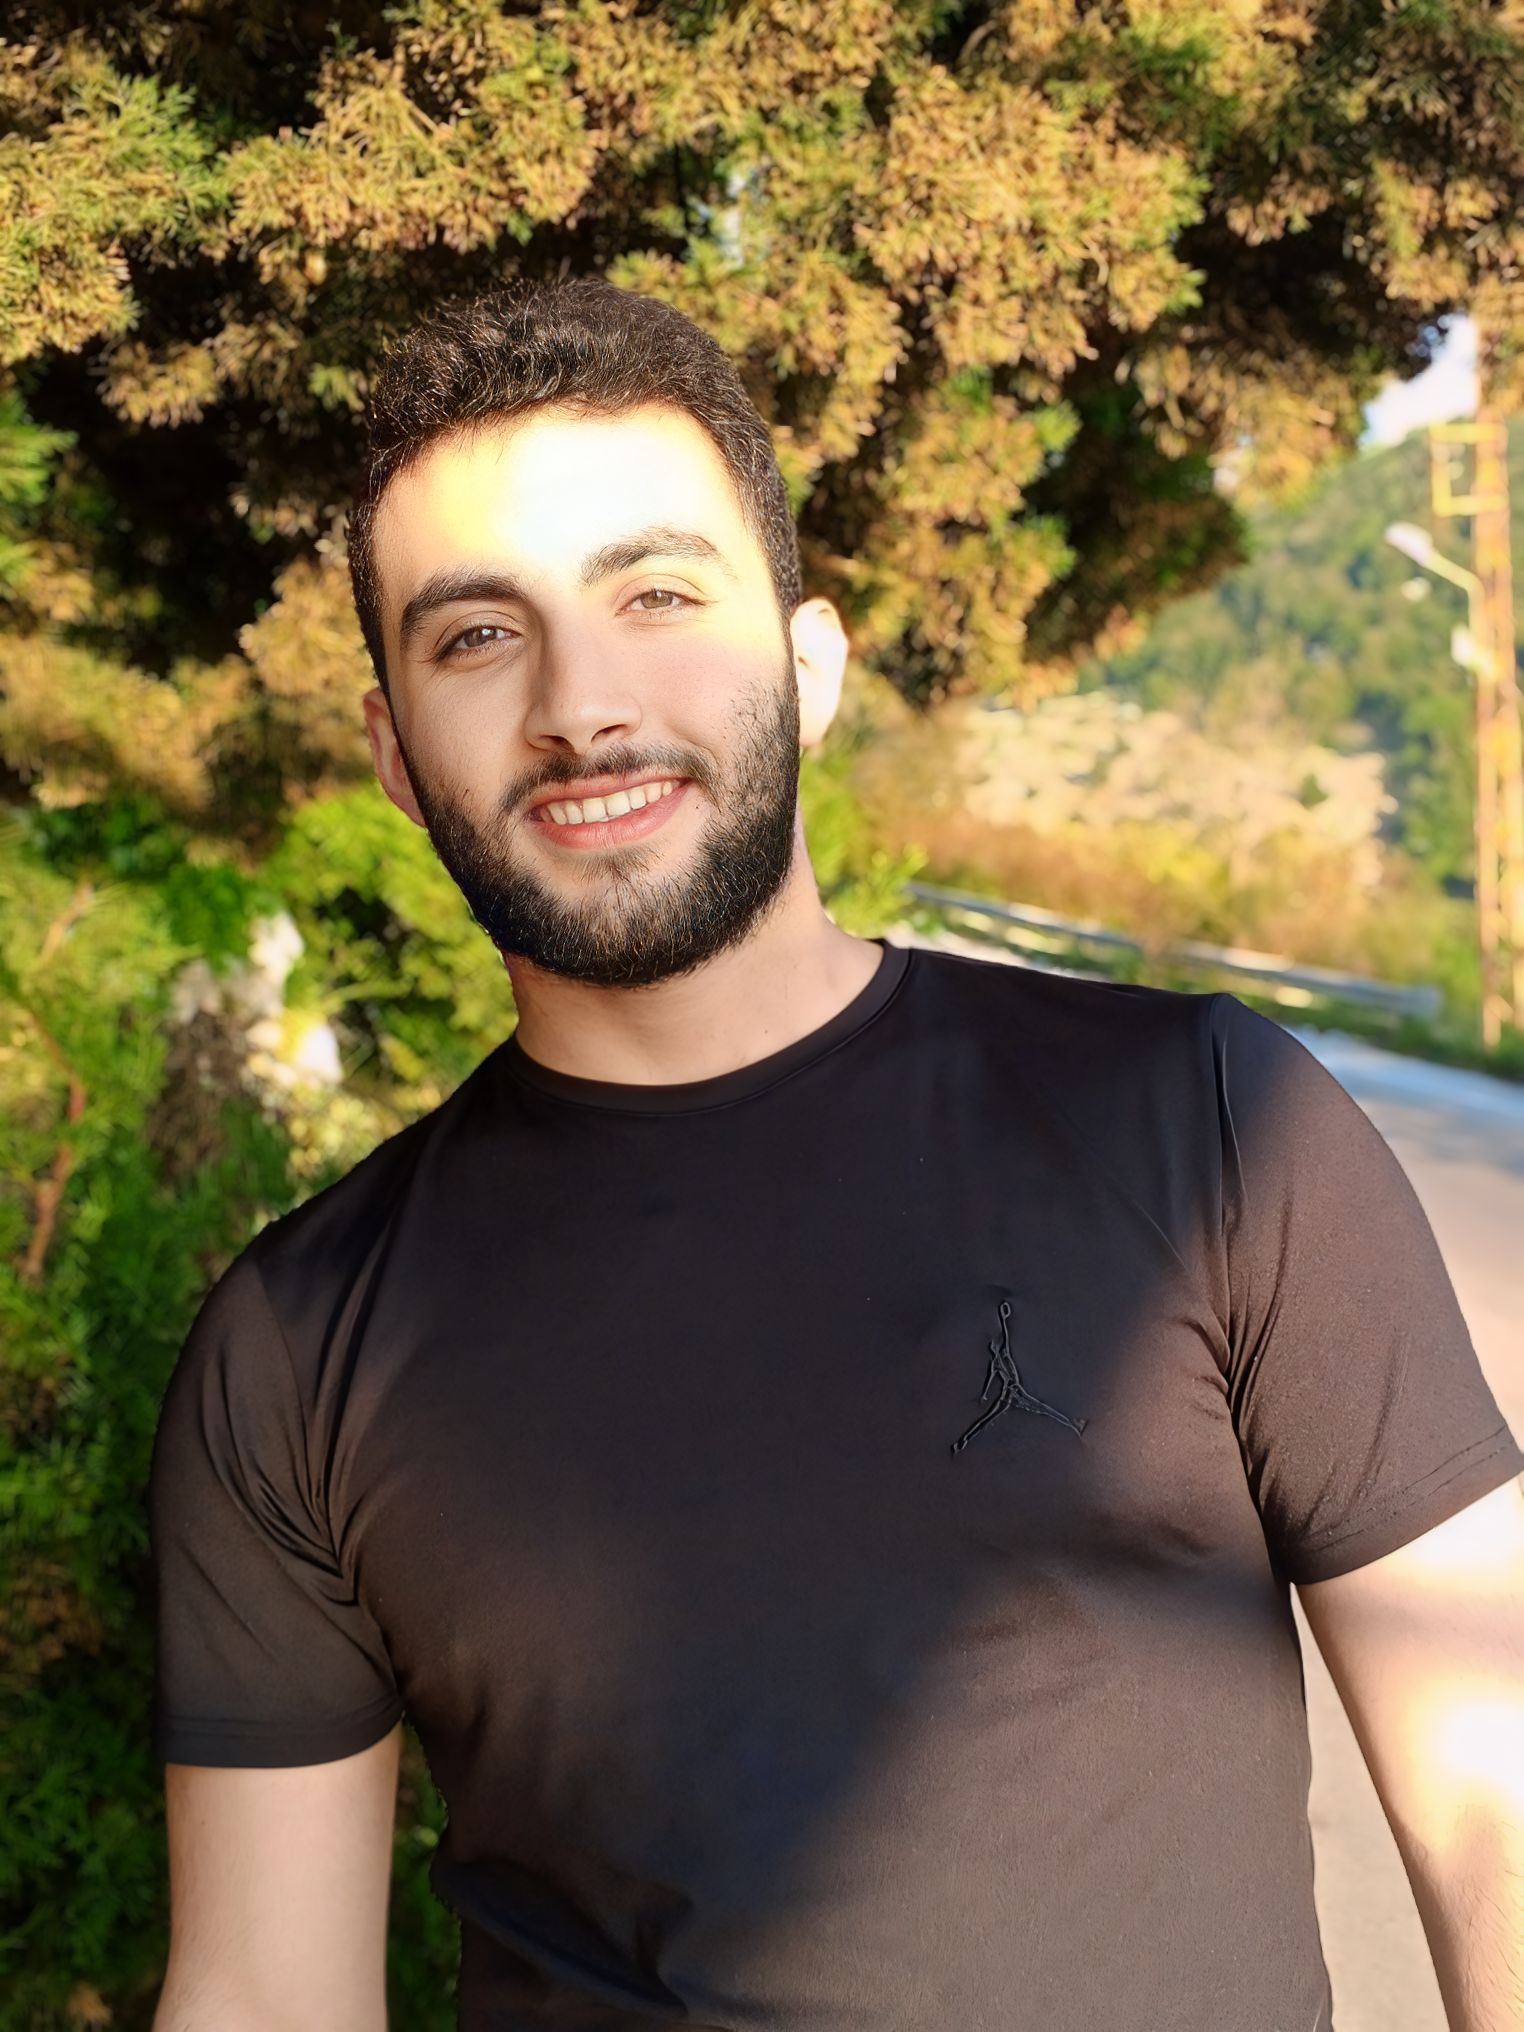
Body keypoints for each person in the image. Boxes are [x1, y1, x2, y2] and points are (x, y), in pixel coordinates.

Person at [148, 277, 1524, 2032]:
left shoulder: (1210, 1126)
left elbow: (1496, 1801)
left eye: (657, 595)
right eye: (477, 635)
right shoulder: (294, 1350)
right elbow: (262, 1994)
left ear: (808, 668)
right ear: (396, 754)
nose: (580, 704)